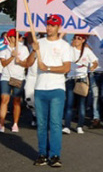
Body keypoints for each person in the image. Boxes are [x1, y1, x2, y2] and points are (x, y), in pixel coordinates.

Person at [30, 15, 72, 167]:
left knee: (54, 123)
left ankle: (55, 155)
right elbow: (28, 63)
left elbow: (66, 68)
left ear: (58, 27)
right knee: (41, 124)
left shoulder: (64, 46)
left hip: (57, 89)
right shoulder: (38, 43)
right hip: (40, 88)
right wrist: (33, 51)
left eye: (52, 25)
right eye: (48, 25)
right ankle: (42, 154)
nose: (49, 28)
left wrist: (47, 68)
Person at [0, 29, 29, 133]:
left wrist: (19, 60)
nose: (16, 39)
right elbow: (3, 64)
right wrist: (12, 56)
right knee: (4, 99)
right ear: (9, 38)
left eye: (18, 36)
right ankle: (1, 124)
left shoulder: (24, 48)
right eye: (13, 36)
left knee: (16, 101)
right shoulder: (3, 50)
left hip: (18, 77)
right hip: (6, 77)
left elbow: (26, 64)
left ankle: (15, 124)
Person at [63, 34, 98, 134]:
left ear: (83, 40)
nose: (77, 40)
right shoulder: (69, 49)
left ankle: (79, 126)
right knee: (69, 103)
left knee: (81, 104)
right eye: (75, 38)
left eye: (79, 38)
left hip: (82, 79)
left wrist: (92, 67)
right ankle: (67, 126)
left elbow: (95, 61)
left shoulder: (86, 51)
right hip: (70, 79)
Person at [86, 35, 103, 129]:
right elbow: (86, 46)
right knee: (95, 95)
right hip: (94, 71)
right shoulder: (92, 37)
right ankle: (96, 118)